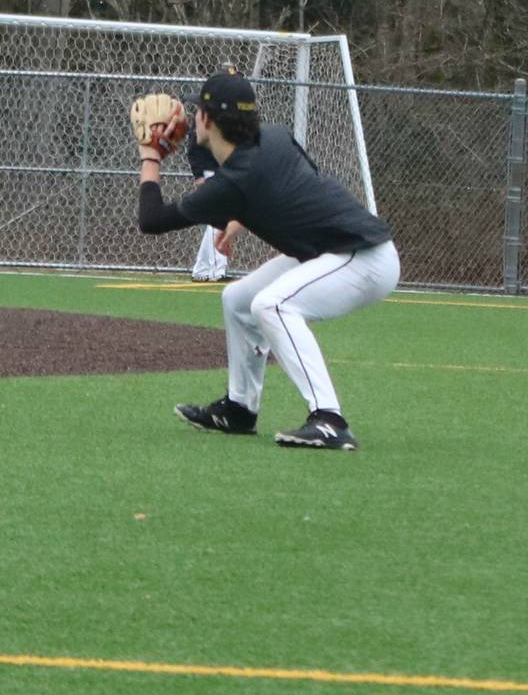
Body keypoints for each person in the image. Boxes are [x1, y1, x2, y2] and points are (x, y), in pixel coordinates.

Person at [135, 66, 399, 451]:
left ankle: (329, 419)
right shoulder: (274, 137)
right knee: (238, 300)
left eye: (197, 111)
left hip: (363, 256)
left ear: (207, 119)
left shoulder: (231, 183)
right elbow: (295, 180)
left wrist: (150, 156)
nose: (193, 118)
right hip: (334, 250)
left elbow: (151, 220)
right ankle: (239, 409)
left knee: (272, 305)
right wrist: (241, 218)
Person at [186, 139, 229, 281]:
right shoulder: (205, 118)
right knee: (218, 218)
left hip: (224, 170)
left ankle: (201, 269)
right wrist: (199, 174)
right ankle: (217, 271)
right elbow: (193, 145)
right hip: (210, 171)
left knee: (220, 218)